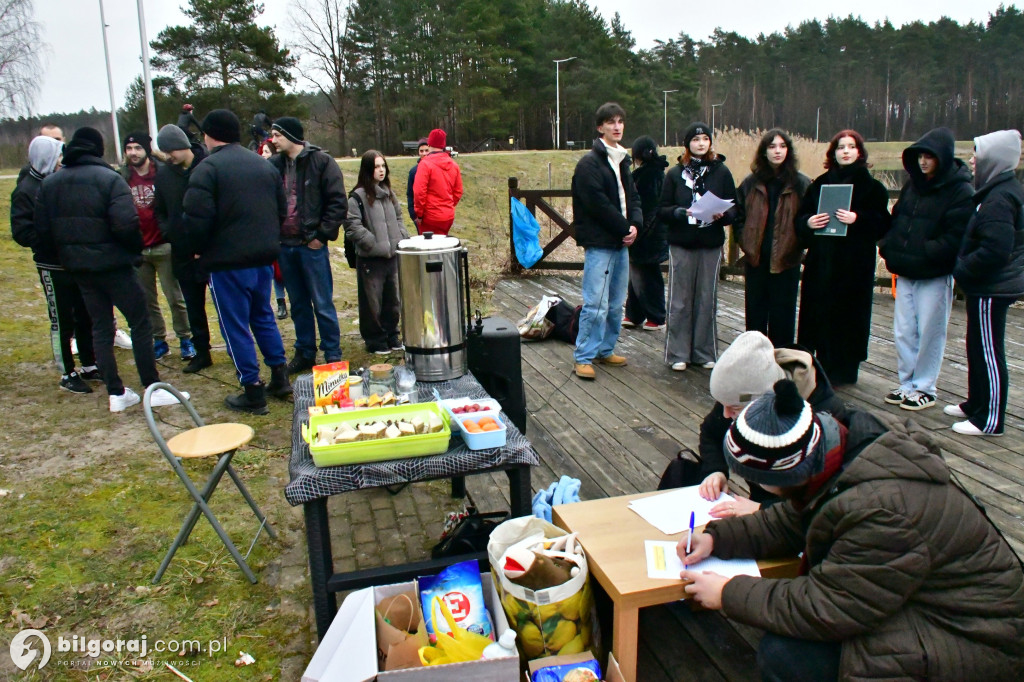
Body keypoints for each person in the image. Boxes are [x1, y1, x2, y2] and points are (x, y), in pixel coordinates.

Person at [678, 380, 1024, 681]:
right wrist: (716, 538)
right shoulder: (840, 453)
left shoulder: (881, 512)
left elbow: (829, 606)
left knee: (787, 656)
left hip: (972, 636)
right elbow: (793, 519)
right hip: (925, 602)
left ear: (787, 476)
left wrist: (729, 594)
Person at [33, 127, 185, 412]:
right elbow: (126, 224)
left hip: (80, 268)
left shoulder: (50, 184)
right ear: (98, 149)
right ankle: (151, 387)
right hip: (114, 265)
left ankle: (116, 392)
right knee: (140, 323)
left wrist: (70, 257)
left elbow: (43, 230)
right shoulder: (110, 179)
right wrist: (131, 253)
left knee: (100, 326)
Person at [181, 109, 291, 414]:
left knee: (235, 326)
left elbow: (196, 218)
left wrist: (197, 249)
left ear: (209, 134)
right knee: (263, 316)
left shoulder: (207, 169)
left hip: (227, 262)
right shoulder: (264, 166)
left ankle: (252, 389)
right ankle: (279, 375)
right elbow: (280, 211)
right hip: (262, 257)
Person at [696, 331, 844, 517]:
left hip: (794, 521)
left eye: (733, 408)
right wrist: (715, 470)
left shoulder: (826, 418)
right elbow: (711, 433)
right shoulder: (739, 394)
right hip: (757, 507)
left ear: (763, 401)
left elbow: (825, 499)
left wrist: (764, 510)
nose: (725, 414)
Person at [878, 127, 973, 411]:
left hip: (934, 273)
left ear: (942, 158)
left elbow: (957, 235)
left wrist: (927, 251)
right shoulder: (912, 185)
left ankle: (925, 387)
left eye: (929, 157)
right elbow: (897, 221)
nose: (923, 162)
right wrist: (889, 247)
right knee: (904, 330)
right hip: (906, 270)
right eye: (920, 156)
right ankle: (906, 383)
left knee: (930, 331)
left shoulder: (960, 190)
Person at [796, 130, 890, 385]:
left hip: (854, 265)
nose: (845, 151)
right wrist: (809, 222)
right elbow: (801, 219)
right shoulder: (819, 184)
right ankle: (816, 365)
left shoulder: (873, 188)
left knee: (849, 316)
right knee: (819, 313)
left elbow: (883, 224)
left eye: (851, 147)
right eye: (840, 147)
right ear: (833, 153)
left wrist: (858, 219)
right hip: (822, 261)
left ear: (859, 152)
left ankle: (845, 370)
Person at [947, 129, 1024, 436]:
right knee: (976, 346)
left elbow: (996, 249)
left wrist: (962, 269)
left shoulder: (1000, 198)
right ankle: (975, 403)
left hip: (992, 286)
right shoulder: (996, 190)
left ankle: (989, 420)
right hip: (986, 285)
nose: (972, 161)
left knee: (989, 352)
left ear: (994, 159)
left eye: (977, 155)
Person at [11, 134, 98, 393]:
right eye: (58, 155)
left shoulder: (58, 182)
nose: (62, 161)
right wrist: (56, 237)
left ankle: (90, 363)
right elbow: (22, 232)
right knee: (62, 319)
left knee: (85, 314)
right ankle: (67, 372)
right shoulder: (25, 190)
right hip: (52, 266)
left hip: (75, 262)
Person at [569, 102, 641, 380]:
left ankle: (605, 349)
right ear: (600, 127)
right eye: (611, 122)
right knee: (595, 303)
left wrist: (635, 224)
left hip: (621, 242)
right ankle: (583, 356)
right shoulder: (589, 164)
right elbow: (597, 204)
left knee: (615, 303)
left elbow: (632, 197)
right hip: (601, 244)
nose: (617, 126)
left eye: (620, 121)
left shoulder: (622, 159)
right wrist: (625, 227)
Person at [268, 116, 347, 373]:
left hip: (311, 245)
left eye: (277, 135)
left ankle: (332, 354)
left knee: (322, 303)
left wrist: (321, 236)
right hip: (285, 245)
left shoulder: (321, 162)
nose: (273, 140)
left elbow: (337, 202)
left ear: (291, 136)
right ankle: (305, 352)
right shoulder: (273, 166)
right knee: (298, 303)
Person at [660, 122, 736, 371]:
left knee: (706, 298)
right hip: (682, 242)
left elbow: (733, 207)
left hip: (710, 243)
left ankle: (704, 352)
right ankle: (678, 353)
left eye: (705, 139)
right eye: (695, 139)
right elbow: (662, 210)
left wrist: (722, 215)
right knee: (680, 300)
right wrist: (680, 213)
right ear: (687, 144)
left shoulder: (721, 172)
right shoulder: (674, 174)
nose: (701, 143)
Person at [121, 132, 194, 362]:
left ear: (147, 150)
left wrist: (169, 233)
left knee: (175, 297)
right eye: (129, 148)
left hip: (163, 245)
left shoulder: (163, 173)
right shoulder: (122, 177)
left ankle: (185, 338)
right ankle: (159, 340)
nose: (133, 152)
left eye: (137, 148)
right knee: (146, 299)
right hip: (138, 248)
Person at [733, 129, 810, 347]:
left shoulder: (800, 183)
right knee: (755, 319)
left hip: (787, 261)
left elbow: (808, 219)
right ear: (764, 151)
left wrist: (798, 246)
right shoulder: (750, 183)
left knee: (783, 319)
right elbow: (738, 215)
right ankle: (755, 364)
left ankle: (780, 366)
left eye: (782, 146)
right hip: (756, 259)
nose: (777, 151)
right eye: (772, 146)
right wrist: (744, 240)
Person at [153, 124, 213, 374]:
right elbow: (161, 210)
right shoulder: (165, 175)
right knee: (193, 304)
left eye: (170, 151)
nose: (168, 157)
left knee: (226, 306)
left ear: (181, 146)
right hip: (182, 250)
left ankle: (236, 349)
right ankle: (202, 352)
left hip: (212, 249)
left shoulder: (208, 166)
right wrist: (170, 233)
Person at [345, 151, 410, 354]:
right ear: (367, 169)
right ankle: (375, 339)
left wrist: (401, 236)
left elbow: (399, 217)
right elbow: (351, 224)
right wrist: (370, 242)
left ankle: (392, 334)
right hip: (371, 259)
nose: (381, 170)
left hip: (392, 256)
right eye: (376, 167)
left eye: (383, 166)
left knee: (393, 299)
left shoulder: (389, 193)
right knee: (372, 302)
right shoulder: (358, 197)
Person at [622, 136, 668, 331]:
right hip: (650, 233)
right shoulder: (654, 172)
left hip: (648, 234)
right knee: (637, 275)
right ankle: (634, 313)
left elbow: (648, 209)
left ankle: (657, 317)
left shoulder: (649, 176)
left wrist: (638, 231)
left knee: (648, 276)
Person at [257, 138, 289, 320]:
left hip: (283, 229)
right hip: (267, 231)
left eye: (267, 152)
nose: (264, 156)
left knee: (284, 269)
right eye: (262, 152)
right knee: (273, 270)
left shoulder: (281, 175)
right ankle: (280, 301)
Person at [412, 128, 463, 235]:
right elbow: (458, 191)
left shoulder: (425, 164)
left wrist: (419, 214)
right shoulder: (454, 165)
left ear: (429, 144)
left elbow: (419, 192)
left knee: (430, 248)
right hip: (447, 216)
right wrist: (447, 206)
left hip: (429, 217)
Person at [407, 137, 428, 221]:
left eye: (427, 150)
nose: (424, 153)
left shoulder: (436, 169)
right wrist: (413, 214)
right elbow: (410, 194)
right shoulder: (413, 171)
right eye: (421, 151)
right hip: (418, 215)